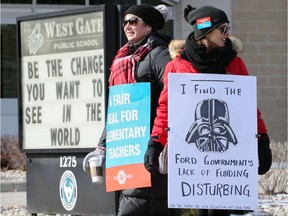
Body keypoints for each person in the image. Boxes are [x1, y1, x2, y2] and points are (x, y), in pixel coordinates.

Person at [144, 4, 272, 216]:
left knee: (219, 211)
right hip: (194, 156)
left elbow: (249, 107)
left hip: (227, 157)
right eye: (222, 29)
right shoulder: (177, 66)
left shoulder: (234, 64)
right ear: (205, 31)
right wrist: (156, 142)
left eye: (228, 28)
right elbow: (166, 108)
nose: (227, 34)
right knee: (202, 210)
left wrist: (261, 139)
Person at [83, 4, 182, 216]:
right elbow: (119, 110)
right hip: (127, 146)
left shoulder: (158, 54)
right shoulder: (123, 58)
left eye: (133, 21)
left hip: (152, 146)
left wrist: (158, 139)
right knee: (132, 203)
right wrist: (102, 147)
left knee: (153, 204)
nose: (127, 26)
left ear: (149, 26)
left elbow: (175, 94)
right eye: (125, 22)